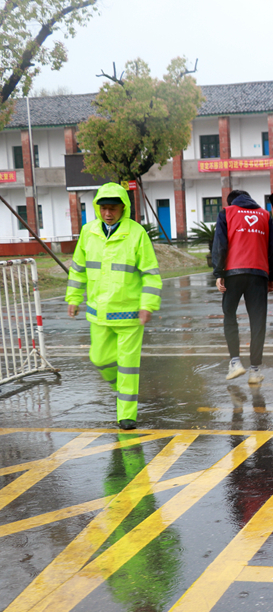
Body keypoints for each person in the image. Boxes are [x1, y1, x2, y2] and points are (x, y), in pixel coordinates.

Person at [65, 182, 162, 430]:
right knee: (99, 358)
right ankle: (122, 388)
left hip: (130, 315)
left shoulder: (136, 233)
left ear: (123, 208)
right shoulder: (88, 232)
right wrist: (74, 298)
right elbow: (78, 269)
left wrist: (147, 305)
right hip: (98, 313)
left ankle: (126, 415)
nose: (108, 213)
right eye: (104, 208)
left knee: (128, 367)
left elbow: (150, 273)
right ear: (98, 209)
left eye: (113, 208)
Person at [212, 189, 273, 383]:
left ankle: (235, 363)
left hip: (233, 273)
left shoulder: (227, 212)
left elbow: (220, 245)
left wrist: (219, 273)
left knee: (230, 315)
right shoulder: (264, 215)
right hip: (258, 274)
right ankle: (255, 371)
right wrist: (272, 276)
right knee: (258, 322)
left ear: (232, 202)